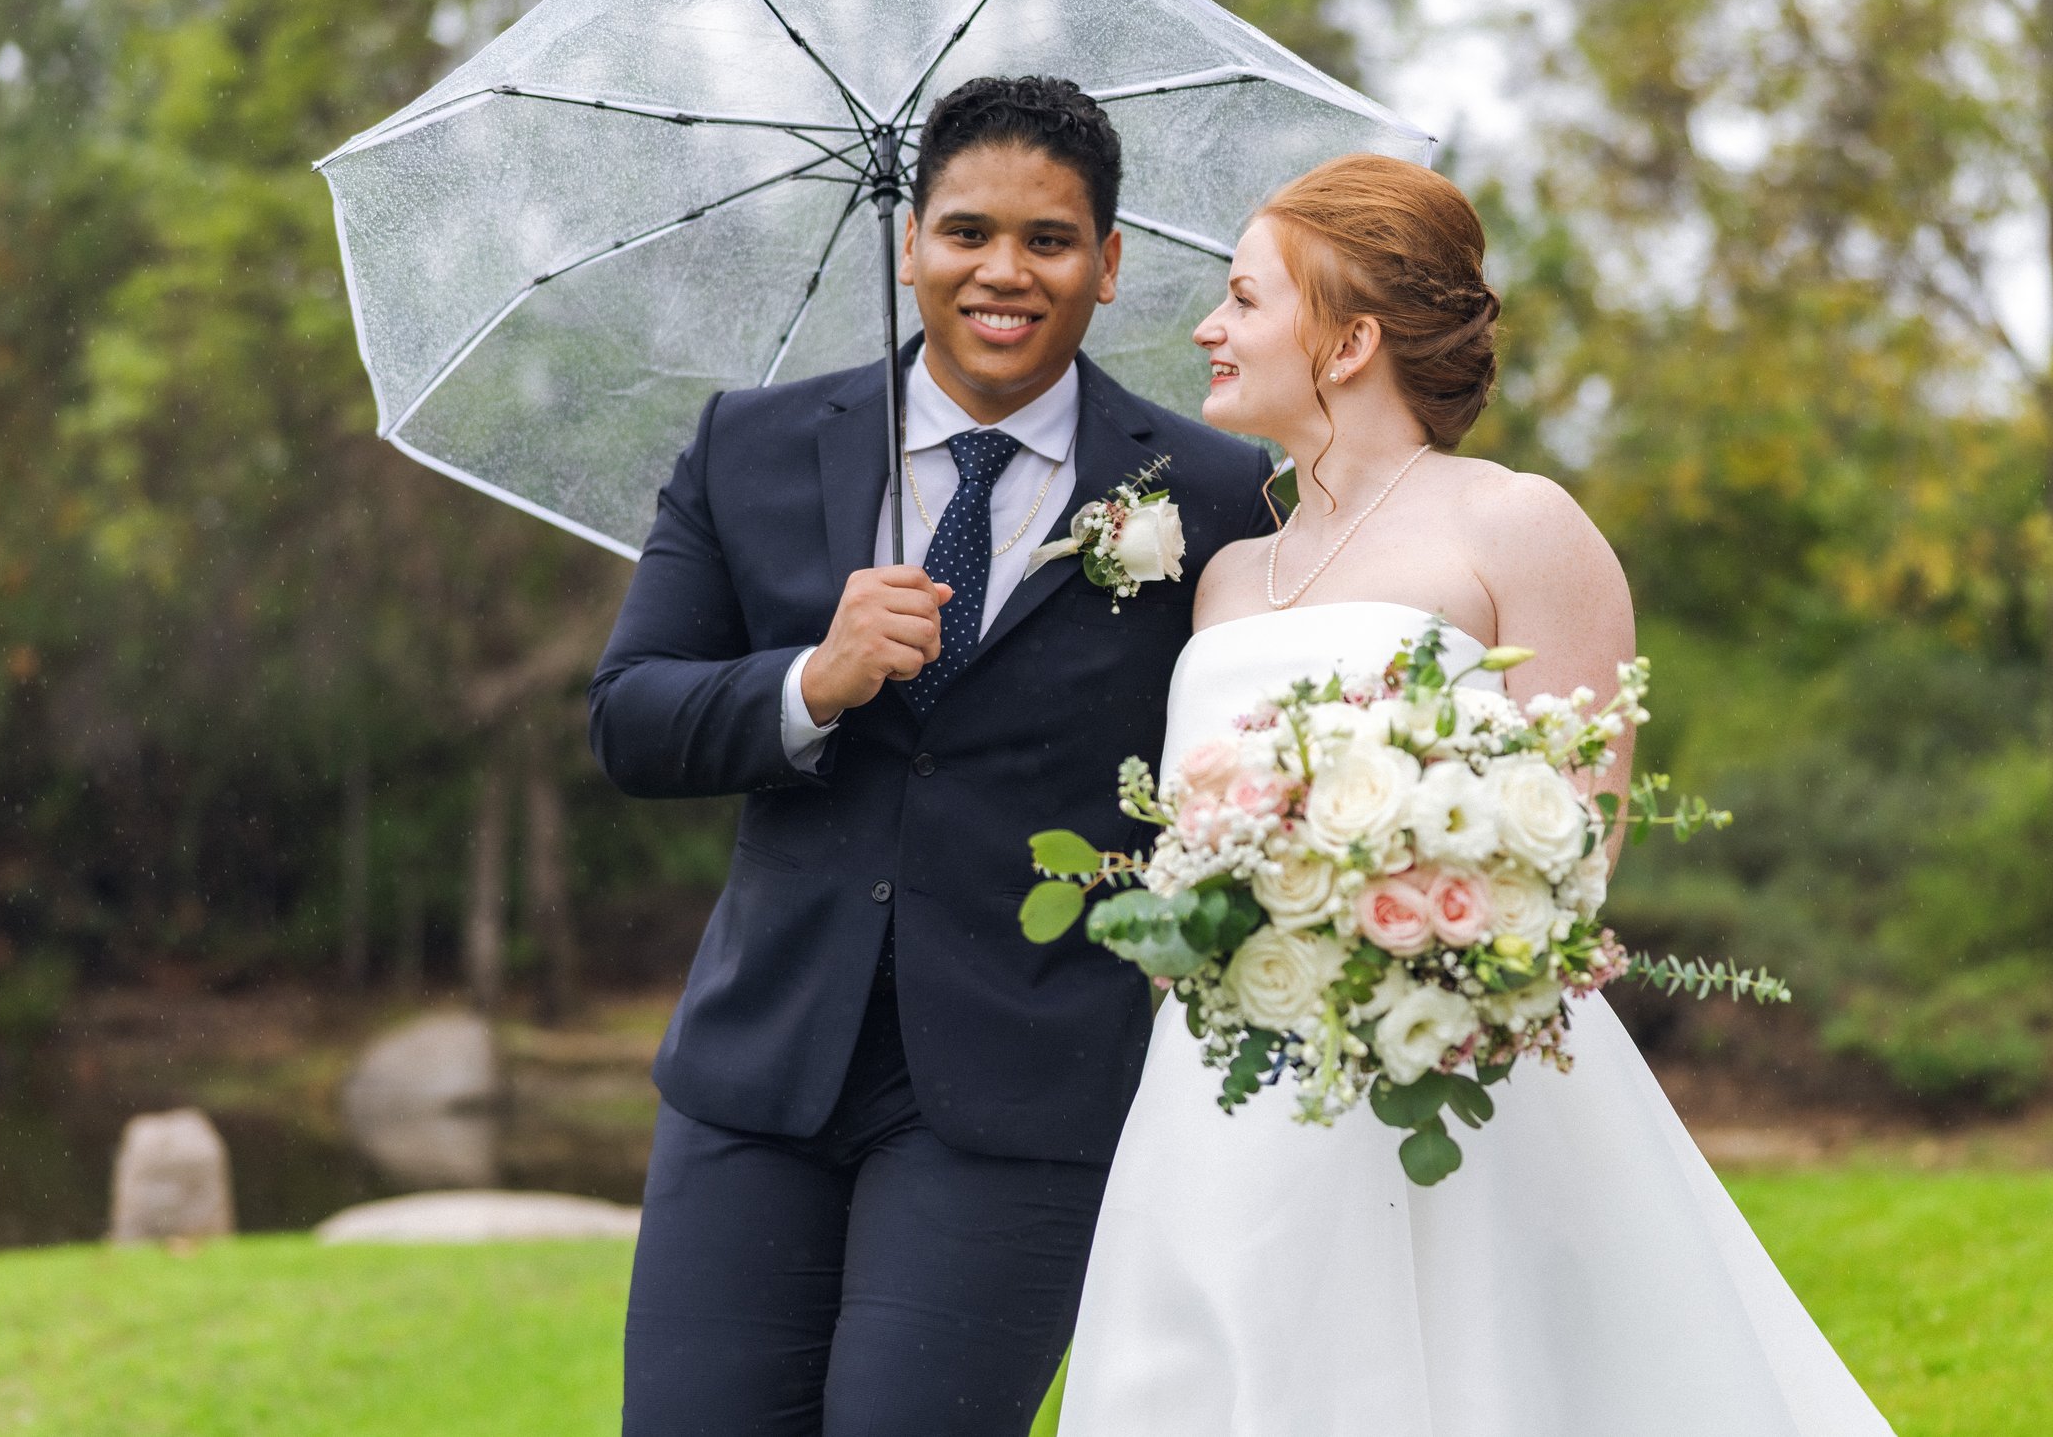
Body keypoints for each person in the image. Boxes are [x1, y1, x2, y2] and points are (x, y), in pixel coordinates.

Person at [1056, 154, 1894, 1436]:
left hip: (1458, 1069)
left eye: (1240, 298)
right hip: (1221, 1091)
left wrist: (1399, 945)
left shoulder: (1516, 525)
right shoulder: (1224, 577)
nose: (1206, 328)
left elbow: (1577, 843)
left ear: (1348, 340)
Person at [586, 74, 1273, 1437]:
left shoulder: (1209, 489)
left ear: (1111, 263)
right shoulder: (753, 444)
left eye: (1049, 238)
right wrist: (813, 679)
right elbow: (631, 716)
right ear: (909, 246)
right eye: (966, 231)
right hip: (759, 1073)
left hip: (1023, 1085)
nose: (1002, 271)